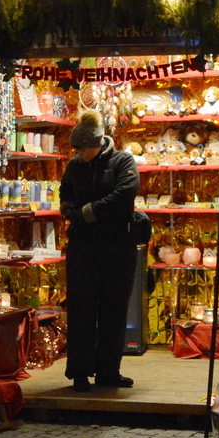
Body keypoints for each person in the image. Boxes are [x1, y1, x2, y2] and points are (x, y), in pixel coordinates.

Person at [59, 108, 140, 393]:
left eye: (83, 149)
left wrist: (89, 211)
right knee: (81, 308)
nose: (80, 154)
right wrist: (68, 210)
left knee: (114, 309)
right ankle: (79, 372)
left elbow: (125, 193)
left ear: (96, 144)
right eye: (77, 150)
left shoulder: (122, 161)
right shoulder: (75, 165)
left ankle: (108, 371)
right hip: (83, 246)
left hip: (118, 245)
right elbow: (65, 191)